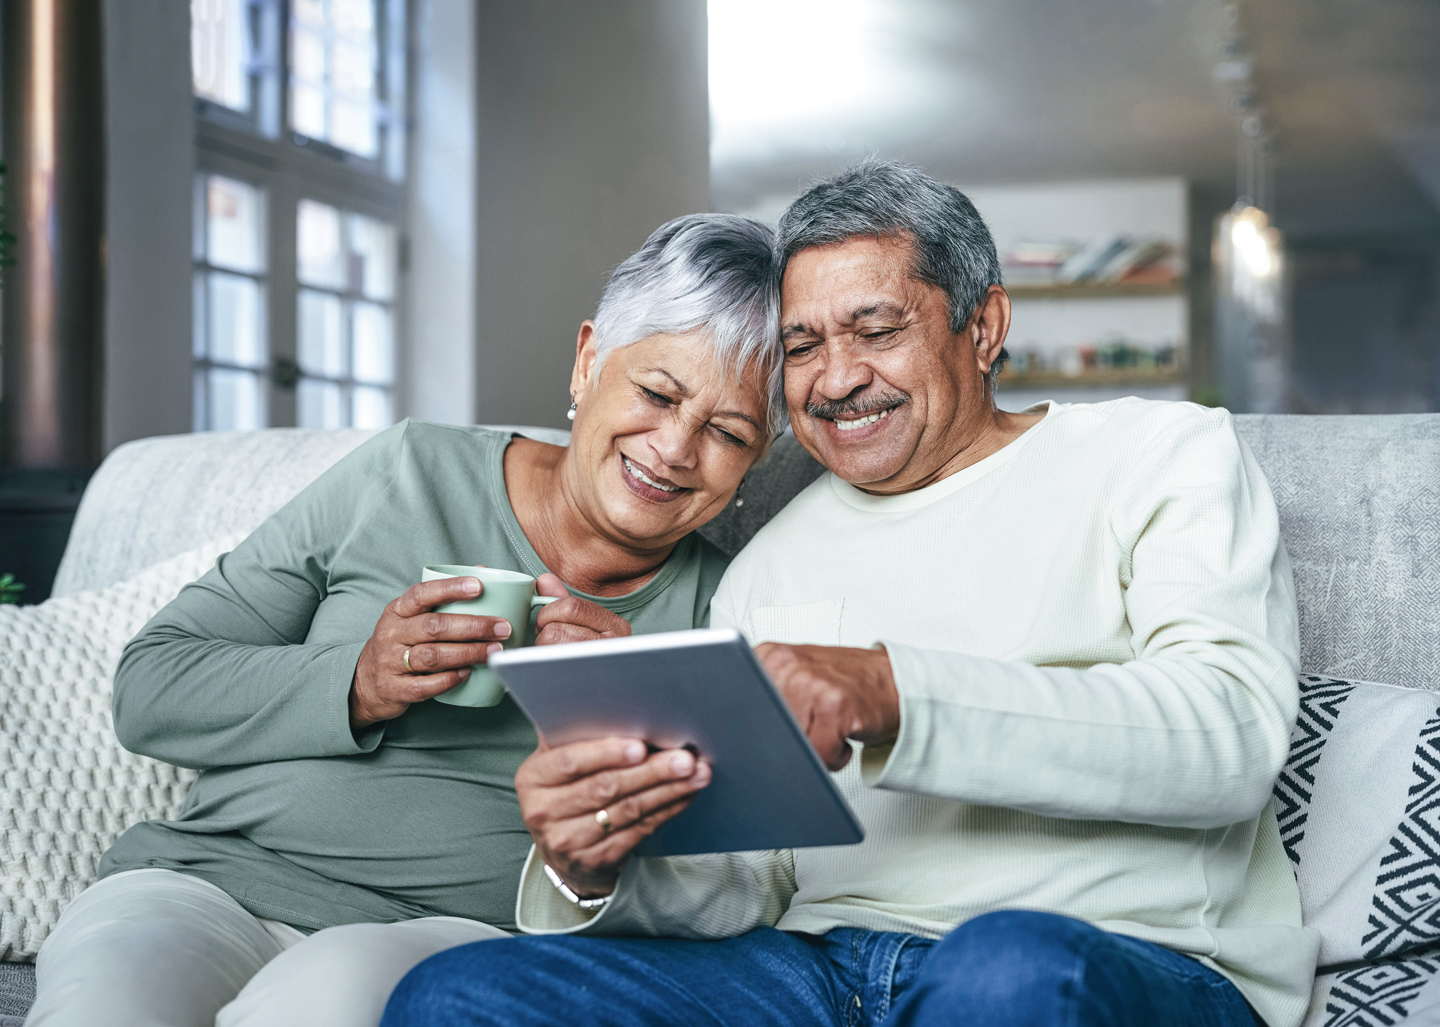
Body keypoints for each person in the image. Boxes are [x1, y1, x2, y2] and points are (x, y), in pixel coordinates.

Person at [382, 160, 1321, 1027]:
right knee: (457, 994)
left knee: (1003, 970)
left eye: (876, 331)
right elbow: (746, 879)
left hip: (1120, 956)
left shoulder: (1156, 457)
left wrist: (893, 693)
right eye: (802, 346)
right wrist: (597, 865)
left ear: (984, 326)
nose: (837, 378)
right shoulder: (766, 568)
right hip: (817, 975)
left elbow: (1229, 736)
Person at [24, 214, 783, 1027]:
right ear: (589, 359)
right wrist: (359, 681)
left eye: (727, 432)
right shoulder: (407, 471)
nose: (673, 447)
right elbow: (151, 686)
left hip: (446, 937)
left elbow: (734, 888)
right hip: (204, 883)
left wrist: (635, 705)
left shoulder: (726, 605)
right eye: (658, 393)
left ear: (759, 453)